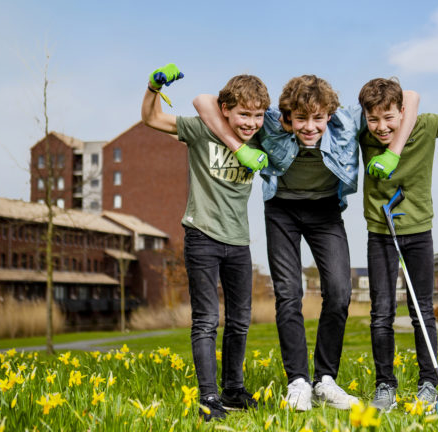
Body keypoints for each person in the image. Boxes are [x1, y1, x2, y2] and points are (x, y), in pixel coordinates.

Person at [193, 75, 418, 411]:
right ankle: (297, 382)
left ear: (329, 114)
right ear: (288, 116)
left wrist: (394, 153)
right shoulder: (271, 122)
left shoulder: (346, 122)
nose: (310, 127)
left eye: (318, 118)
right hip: (281, 210)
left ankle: (325, 380)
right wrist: (239, 148)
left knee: (339, 292)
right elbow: (202, 101)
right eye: (301, 119)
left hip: (326, 211)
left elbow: (410, 97)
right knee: (289, 293)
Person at [141, 63, 270, 421]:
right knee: (206, 319)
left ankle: (233, 390)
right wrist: (153, 88)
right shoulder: (202, 130)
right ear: (225, 110)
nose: (251, 123)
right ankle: (209, 398)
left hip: (239, 240)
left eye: (257, 115)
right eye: (244, 114)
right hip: (202, 236)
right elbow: (152, 119)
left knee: (240, 320)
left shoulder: (260, 137)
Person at [357, 77, 438, 412]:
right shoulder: (363, 135)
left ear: (403, 111)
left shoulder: (426, 125)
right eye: (373, 119)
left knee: (422, 311)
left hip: (418, 232)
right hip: (380, 232)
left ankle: (429, 384)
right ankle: (385, 387)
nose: (381, 127)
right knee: (381, 313)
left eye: (389, 118)